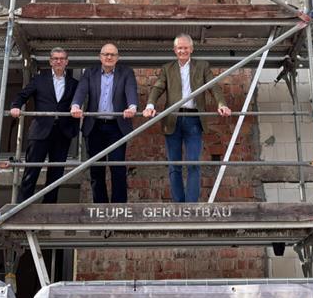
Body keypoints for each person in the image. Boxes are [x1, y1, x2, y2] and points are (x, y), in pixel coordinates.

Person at [143, 34, 231, 203]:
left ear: (191, 49)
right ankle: (178, 204)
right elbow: (157, 87)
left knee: (193, 163)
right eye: (179, 48)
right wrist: (150, 105)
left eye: (185, 47)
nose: (182, 50)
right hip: (172, 120)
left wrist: (221, 103)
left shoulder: (202, 66)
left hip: (193, 120)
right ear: (175, 50)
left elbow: (213, 86)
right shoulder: (167, 69)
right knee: (174, 165)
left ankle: (191, 205)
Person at [9, 47, 79, 204]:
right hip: (40, 130)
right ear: (50, 61)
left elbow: (78, 102)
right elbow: (22, 95)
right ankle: (22, 206)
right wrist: (16, 106)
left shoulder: (74, 83)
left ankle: (49, 207)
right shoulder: (40, 79)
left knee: (56, 173)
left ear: (67, 62)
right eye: (55, 58)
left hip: (62, 132)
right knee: (31, 170)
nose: (59, 61)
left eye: (62, 58)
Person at [71, 43, 139, 203]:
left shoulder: (126, 72)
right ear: (100, 56)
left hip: (116, 127)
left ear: (118, 57)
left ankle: (118, 208)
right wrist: (75, 105)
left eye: (113, 55)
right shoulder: (90, 72)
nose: (109, 57)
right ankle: (100, 208)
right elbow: (81, 90)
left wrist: (132, 106)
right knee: (96, 169)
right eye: (106, 54)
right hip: (94, 127)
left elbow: (131, 90)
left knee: (117, 168)